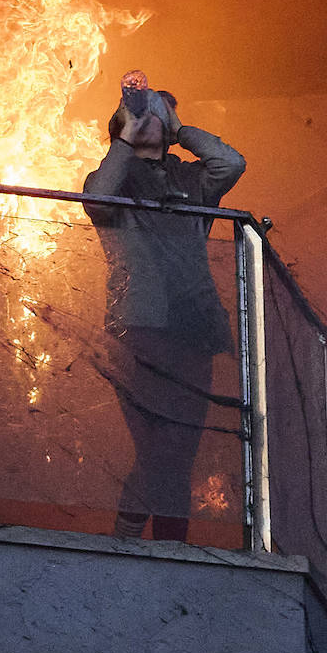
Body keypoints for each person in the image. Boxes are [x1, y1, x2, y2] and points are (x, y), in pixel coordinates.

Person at [82, 72, 246, 542]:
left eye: (156, 108)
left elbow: (232, 163)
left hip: (195, 329)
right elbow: (95, 200)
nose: (146, 114)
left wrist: (179, 129)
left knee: (179, 450)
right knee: (159, 446)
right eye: (135, 108)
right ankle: (135, 541)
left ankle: (162, 545)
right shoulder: (111, 176)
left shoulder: (192, 178)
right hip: (139, 328)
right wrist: (125, 137)